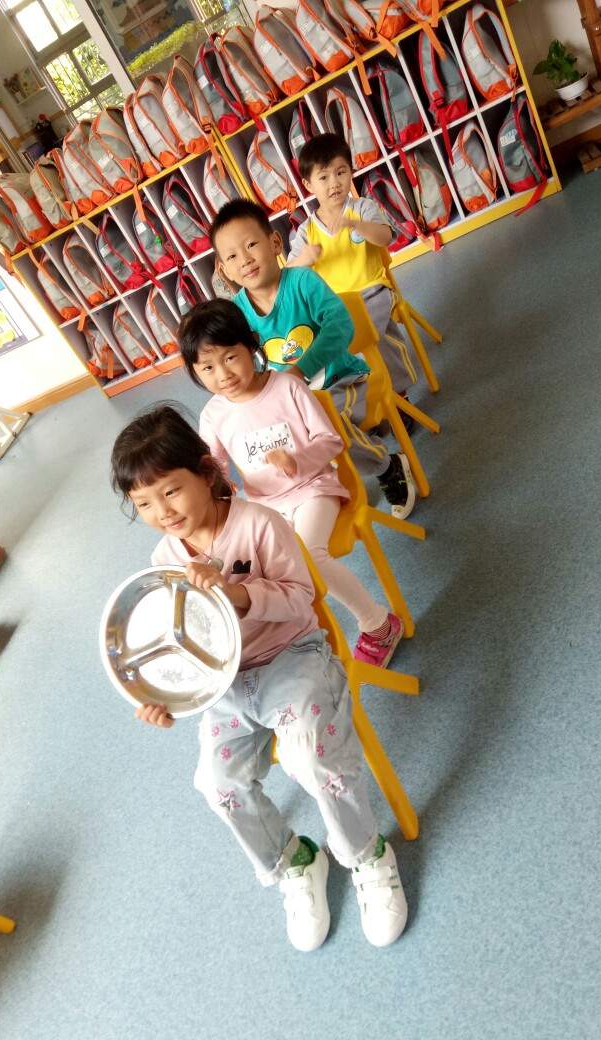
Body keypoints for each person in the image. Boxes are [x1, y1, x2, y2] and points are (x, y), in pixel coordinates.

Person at [110, 405, 408, 951]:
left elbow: (301, 600)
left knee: (313, 757)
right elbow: (181, 641)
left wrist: (236, 593)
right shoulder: (164, 556)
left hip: (292, 657)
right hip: (226, 686)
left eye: (171, 492)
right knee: (216, 784)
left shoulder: (260, 524)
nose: (162, 512)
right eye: (144, 503)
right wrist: (165, 696)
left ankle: (367, 855)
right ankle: (294, 860)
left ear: (206, 472)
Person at [178, 297, 403, 669]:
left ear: (252, 344)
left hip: (313, 489)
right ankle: (292, 645)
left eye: (230, 357)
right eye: (208, 367)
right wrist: (212, 490)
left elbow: (331, 441)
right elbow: (213, 468)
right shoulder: (214, 414)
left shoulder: (287, 387)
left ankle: (378, 623)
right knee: (252, 572)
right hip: (265, 506)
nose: (223, 374)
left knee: (308, 557)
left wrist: (297, 460)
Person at [210, 197, 415, 520]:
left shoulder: (302, 282)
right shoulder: (235, 313)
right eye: (232, 256)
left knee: (329, 423)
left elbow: (341, 326)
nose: (245, 260)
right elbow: (238, 359)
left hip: (340, 378)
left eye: (251, 245)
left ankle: (387, 466)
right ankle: (311, 495)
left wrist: (300, 370)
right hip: (288, 399)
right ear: (224, 270)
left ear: (275, 242)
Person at [287, 133, 417, 405]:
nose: (334, 183)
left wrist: (355, 225)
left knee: (372, 336)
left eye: (341, 172)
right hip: (335, 306)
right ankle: (362, 400)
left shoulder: (362, 208)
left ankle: (398, 394)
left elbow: (385, 238)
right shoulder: (306, 231)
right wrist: (304, 259)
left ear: (351, 172)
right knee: (320, 348)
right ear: (308, 184)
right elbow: (288, 273)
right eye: (324, 177)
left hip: (372, 291)